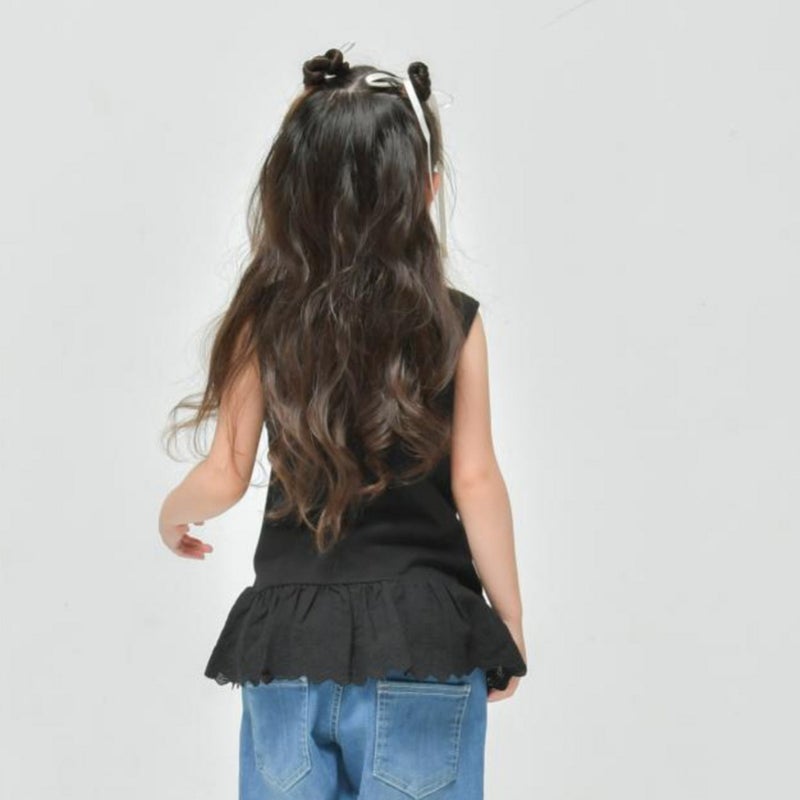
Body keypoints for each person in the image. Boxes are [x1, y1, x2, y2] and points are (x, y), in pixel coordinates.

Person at [158, 43, 528, 800]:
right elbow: (477, 479)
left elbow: (225, 472)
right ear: (426, 188)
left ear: (292, 190)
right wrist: (509, 623)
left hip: (290, 641)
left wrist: (172, 514)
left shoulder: (265, 320)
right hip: (425, 637)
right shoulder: (453, 322)